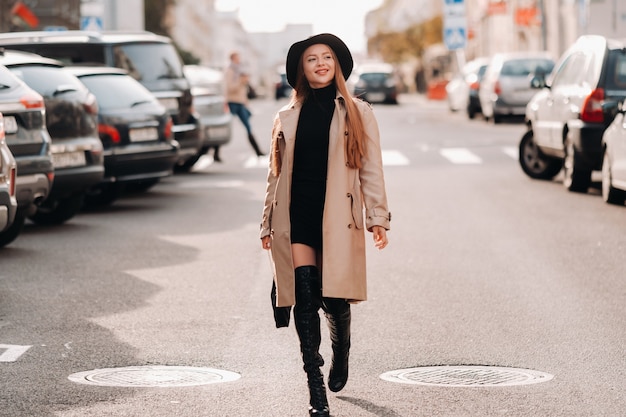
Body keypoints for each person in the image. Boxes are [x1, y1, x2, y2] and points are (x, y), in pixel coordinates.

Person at [260, 33, 391, 417]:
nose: (320, 63)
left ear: (337, 65)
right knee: (304, 298)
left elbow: (371, 169)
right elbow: (275, 174)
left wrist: (377, 217)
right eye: (311, 59)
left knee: (333, 298)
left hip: (337, 216)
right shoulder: (286, 115)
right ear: (301, 69)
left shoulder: (357, 111)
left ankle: (342, 346)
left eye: (327, 57)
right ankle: (316, 391)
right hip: (296, 213)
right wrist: (267, 221)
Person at [223, 51, 265, 158]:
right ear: (232, 59)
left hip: (240, 103)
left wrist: (246, 101)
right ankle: (216, 150)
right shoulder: (230, 71)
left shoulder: (240, 71)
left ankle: (257, 150)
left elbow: (243, 90)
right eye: (237, 58)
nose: (239, 60)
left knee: (248, 126)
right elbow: (230, 88)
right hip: (232, 102)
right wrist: (241, 81)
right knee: (225, 126)